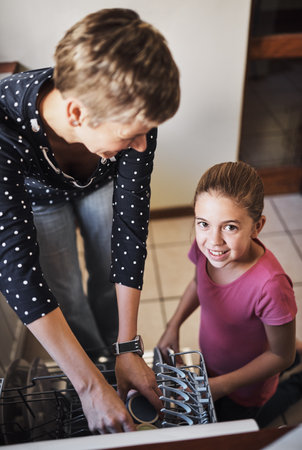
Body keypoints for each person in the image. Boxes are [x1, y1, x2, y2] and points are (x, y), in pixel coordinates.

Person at [0, 8, 180, 433]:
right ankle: (94, 368)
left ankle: (116, 353)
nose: (141, 143)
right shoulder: (4, 127)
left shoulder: (135, 109)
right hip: (40, 198)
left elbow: (131, 226)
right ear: (78, 115)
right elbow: (19, 274)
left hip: (98, 180)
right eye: (130, 136)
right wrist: (88, 386)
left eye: (146, 132)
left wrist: (130, 346)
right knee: (66, 295)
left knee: (106, 271)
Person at [157, 161, 297, 425]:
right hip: (212, 366)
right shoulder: (206, 248)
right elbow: (198, 284)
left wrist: (221, 386)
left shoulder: (271, 286)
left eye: (230, 227)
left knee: (248, 420)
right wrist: (173, 325)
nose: (214, 241)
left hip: (247, 389)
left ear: (257, 227)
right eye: (204, 223)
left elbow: (281, 356)